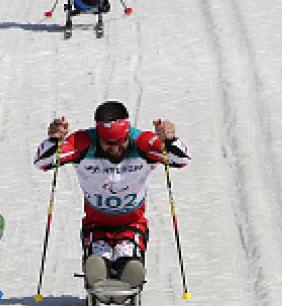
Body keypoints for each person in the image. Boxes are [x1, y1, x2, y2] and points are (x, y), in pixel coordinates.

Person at [33, 101, 189, 291]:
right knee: (97, 266)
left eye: (121, 142)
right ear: (99, 135)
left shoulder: (141, 142)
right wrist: (54, 140)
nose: (115, 149)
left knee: (129, 265)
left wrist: (170, 140)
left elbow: (181, 160)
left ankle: (129, 267)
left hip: (132, 223)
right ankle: (98, 272)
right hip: (96, 223)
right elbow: (42, 162)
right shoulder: (83, 142)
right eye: (108, 144)